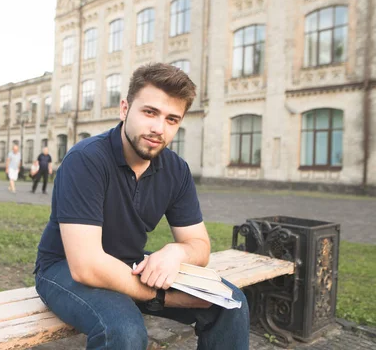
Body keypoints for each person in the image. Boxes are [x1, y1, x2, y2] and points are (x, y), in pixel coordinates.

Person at [34, 63, 249, 350]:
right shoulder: (86, 160)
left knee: (230, 302)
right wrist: (161, 297)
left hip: (130, 261)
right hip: (63, 269)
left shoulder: (176, 170)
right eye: (150, 112)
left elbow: (199, 245)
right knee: (124, 330)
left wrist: (176, 251)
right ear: (124, 109)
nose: (158, 128)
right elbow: (86, 266)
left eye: (172, 119)